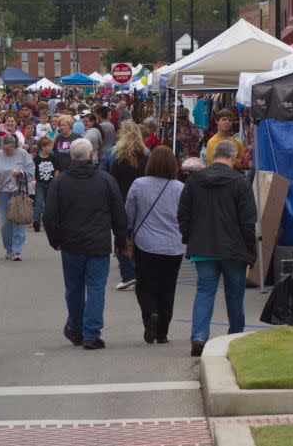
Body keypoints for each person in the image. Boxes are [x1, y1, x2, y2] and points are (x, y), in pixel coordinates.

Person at [43, 138, 128, 350]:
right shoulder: (106, 180)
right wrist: (120, 240)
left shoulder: (60, 182)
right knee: (96, 288)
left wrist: (56, 240)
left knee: (74, 288)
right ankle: (91, 332)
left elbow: (49, 216)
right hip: (98, 243)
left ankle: (76, 327)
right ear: (91, 155)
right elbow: (119, 213)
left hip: (71, 243)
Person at [177, 139, 256, 357]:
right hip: (234, 248)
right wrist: (251, 250)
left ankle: (199, 336)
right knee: (235, 295)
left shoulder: (195, 180)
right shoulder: (240, 181)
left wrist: (189, 238)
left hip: (203, 246)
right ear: (232, 157)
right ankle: (235, 335)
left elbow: (183, 213)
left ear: (212, 157)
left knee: (204, 291)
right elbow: (248, 220)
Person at [126, 146, 186, 344]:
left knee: (144, 285)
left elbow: (129, 213)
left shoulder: (139, 184)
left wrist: (127, 233)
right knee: (167, 287)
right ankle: (162, 332)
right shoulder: (179, 187)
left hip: (146, 242)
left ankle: (150, 314)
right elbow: (185, 216)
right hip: (173, 245)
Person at [103, 120, 149, 290]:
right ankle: (141, 272)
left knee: (121, 235)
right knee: (140, 236)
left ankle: (128, 273)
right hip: (143, 200)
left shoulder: (115, 156)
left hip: (121, 200)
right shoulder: (146, 155)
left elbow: (108, 178)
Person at [0, 134, 35, 261]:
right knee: (5, 223)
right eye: (4, 147)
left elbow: (31, 172)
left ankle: (17, 250)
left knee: (19, 220)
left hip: (19, 191)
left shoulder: (23, 154)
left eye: (9, 148)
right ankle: (9, 249)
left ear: (15, 146)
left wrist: (20, 173)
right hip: (1, 191)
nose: (6, 150)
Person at [31, 135, 60, 234]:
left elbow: (56, 169)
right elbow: (33, 170)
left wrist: (55, 180)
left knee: (49, 204)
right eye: (49, 146)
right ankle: (36, 221)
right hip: (40, 183)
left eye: (51, 146)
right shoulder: (36, 158)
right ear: (42, 147)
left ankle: (48, 222)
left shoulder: (53, 157)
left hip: (51, 183)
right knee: (38, 202)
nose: (51, 148)